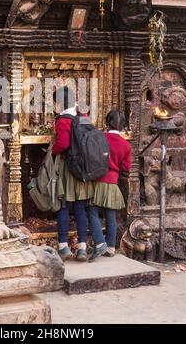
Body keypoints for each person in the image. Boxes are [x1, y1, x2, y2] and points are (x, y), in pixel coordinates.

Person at [52, 86, 95, 262]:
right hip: (83, 169)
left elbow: (62, 144)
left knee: (62, 206)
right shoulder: (83, 118)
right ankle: (82, 249)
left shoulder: (62, 121)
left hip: (67, 168)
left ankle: (63, 247)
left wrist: (53, 151)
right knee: (80, 208)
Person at [87, 109, 131, 261]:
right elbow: (126, 168)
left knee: (91, 211)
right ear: (123, 125)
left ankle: (99, 242)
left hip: (98, 180)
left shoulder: (100, 138)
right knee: (111, 215)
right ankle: (111, 247)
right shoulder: (126, 145)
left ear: (107, 122)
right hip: (113, 182)